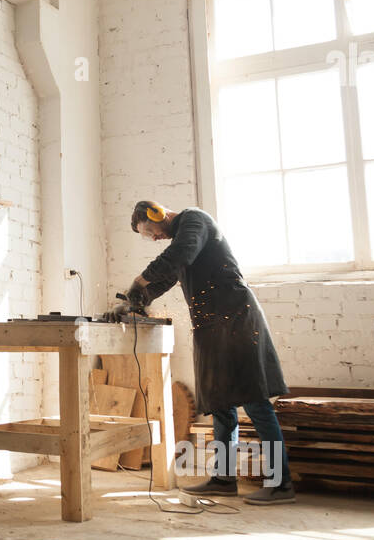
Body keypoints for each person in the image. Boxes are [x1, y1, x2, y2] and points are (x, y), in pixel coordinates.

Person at [126, 200, 294, 504]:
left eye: (149, 230)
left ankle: (281, 484)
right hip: (211, 325)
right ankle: (223, 479)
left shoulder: (194, 222)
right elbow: (168, 276)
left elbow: (179, 255)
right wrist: (138, 297)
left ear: (157, 214)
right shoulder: (180, 241)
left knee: (255, 402)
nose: (152, 238)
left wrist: (139, 280)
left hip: (237, 319)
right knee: (220, 404)